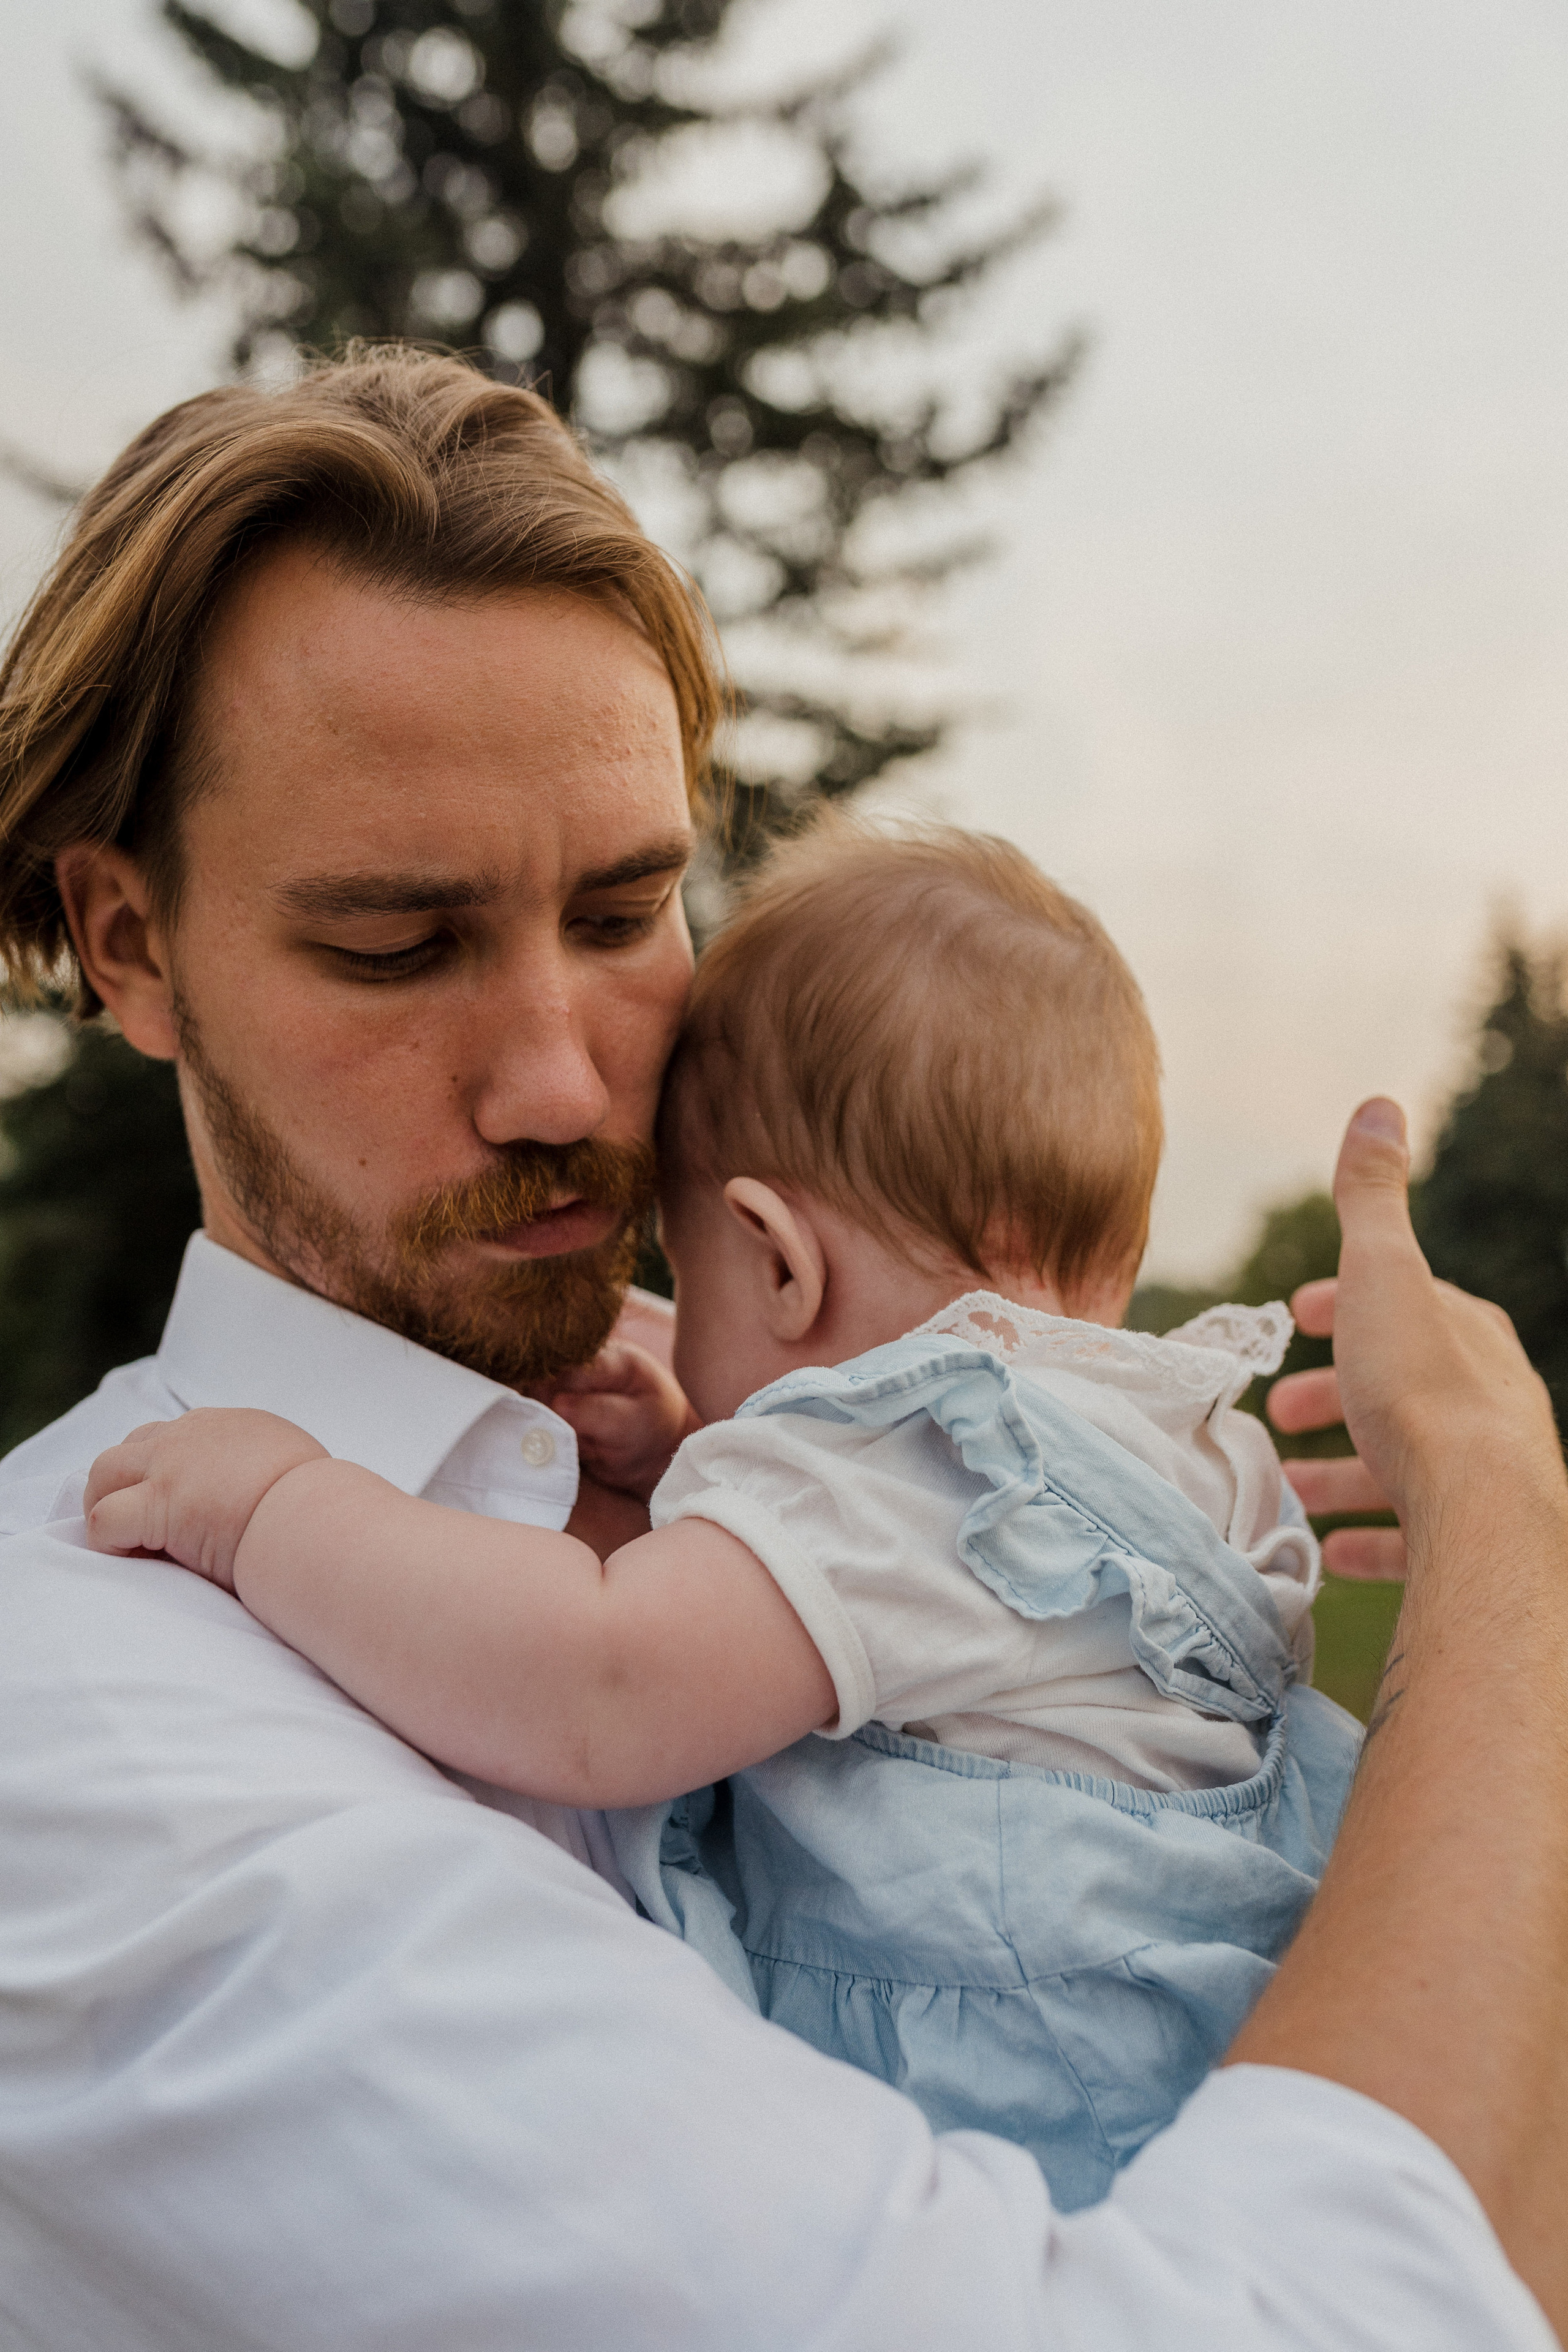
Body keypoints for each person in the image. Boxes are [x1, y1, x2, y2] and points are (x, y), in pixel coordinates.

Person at [0, 349, 1562, 2347]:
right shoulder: (82, 1712)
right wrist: (1506, 1553)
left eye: (630, 907)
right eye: (396, 946)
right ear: (128, 943)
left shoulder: (769, 1432)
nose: (564, 1079)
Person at [80, 823, 1363, 2214]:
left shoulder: (889, 1468)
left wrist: (277, 1503)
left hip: (1036, 2135)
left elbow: (596, 1683)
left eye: (681, 1275)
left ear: (775, 1259)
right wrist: (699, 1447)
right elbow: (966, 1632)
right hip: (1221, 2080)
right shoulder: (1195, 1451)